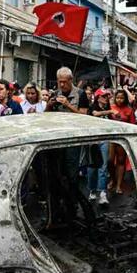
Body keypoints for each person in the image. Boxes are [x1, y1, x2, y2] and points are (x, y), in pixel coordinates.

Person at [44, 67, 95, 225]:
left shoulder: (80, 94)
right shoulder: (55, 93)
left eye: (64, 82)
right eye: (59, 82)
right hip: (57, 139)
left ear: (70, 80)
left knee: (71, 174)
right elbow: (45, 116)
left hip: (73, 139)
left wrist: (68, 105)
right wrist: (50, 105)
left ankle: (73, 205)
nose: (62, 85)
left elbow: (85, 116)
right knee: (57, 175)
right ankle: (60, 208)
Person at [87, 88, 113, 207]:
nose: (106, 98)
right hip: (93, 141)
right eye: (103, 96)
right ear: (98, 97)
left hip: (104, 140)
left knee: (103, 166)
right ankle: (92, 190)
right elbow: (95, 114)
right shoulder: (92, 107)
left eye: (107, 96)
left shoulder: (107, 109)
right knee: (92, 167)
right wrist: (109, 112)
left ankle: (102, 192)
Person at [110, 89, 136, 196]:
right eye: (118, 98)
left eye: (122, 98)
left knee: (121, 161)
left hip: (123, 138)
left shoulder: (129, 110)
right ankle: (113, 180)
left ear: (125, 99)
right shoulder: (111, 108)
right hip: (111, 137)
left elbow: (133, 125)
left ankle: (119, 185)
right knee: (109, 161)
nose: (119, 100)